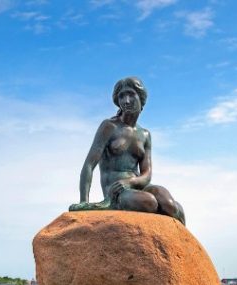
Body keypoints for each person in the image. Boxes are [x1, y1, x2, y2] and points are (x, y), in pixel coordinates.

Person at [69, 77, 185, 224]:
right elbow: (89, 165)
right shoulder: (109, 127)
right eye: (122, 96)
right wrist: (83, 202)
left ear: (141, 98)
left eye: (131, 94)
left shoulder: (145, 134)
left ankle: (184, 241)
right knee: (149, 202)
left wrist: (130, 181)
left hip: (138, 186)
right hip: (116, 192)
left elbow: (147, 174)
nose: (126, 100)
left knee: (170, 205)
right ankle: (109, 206)